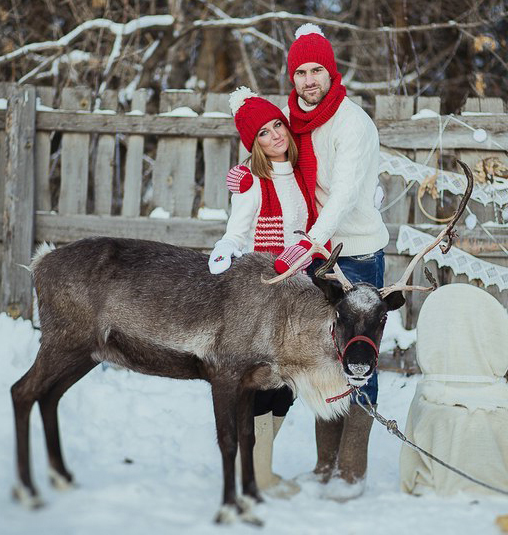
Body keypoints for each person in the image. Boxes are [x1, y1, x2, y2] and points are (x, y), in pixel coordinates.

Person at [274, 23, 389, 499]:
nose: (308, 80)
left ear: (331, 72)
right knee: (324, 356)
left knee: (358, 355)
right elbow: (267, 154)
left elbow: (341, 196)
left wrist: (310, 241)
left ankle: (352, 470)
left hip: (355, 250)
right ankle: (325, 464)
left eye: (316, 71)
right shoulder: (289, 118)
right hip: (315, 253)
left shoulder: (352, 123)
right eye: (300, 72)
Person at [209, 86, 318, 498]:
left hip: (299, 291)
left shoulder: (303, 173)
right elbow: (237, 232)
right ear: (253, 143)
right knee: (261, 383)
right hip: (264, 293)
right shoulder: (253, 180)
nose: (275, 136)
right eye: (263, 133)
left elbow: (313, 220)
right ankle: (259, 475)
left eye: (277, 125)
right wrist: (225, 249)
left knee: (287, 385)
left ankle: (261, 467)